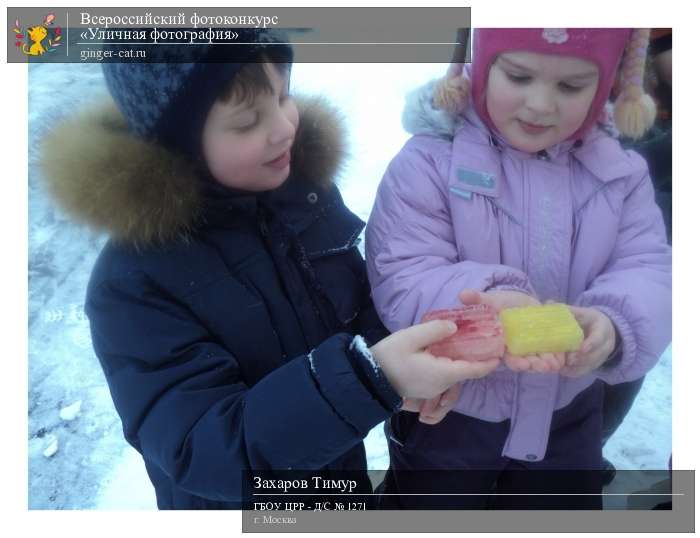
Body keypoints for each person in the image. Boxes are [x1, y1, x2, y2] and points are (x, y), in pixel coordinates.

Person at [39, 31, 498, 510]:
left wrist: (409, 352)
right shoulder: (134, 287)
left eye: (283, 96)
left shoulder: (300, 198)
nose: (283, 128)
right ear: (178, 147)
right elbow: (206, 449)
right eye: (246, 122)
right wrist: (369, 379)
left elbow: (353, 303)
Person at [365, 28, 672, 509]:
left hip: (567, 413)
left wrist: (613, 324)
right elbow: (404, 271)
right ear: (480, 66)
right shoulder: (429, 162)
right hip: (450, 410)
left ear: (606, 86)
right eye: (519, 76)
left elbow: (649, 265)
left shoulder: (620, 175)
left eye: (570, 86)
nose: (541, 104)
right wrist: (491, 306)